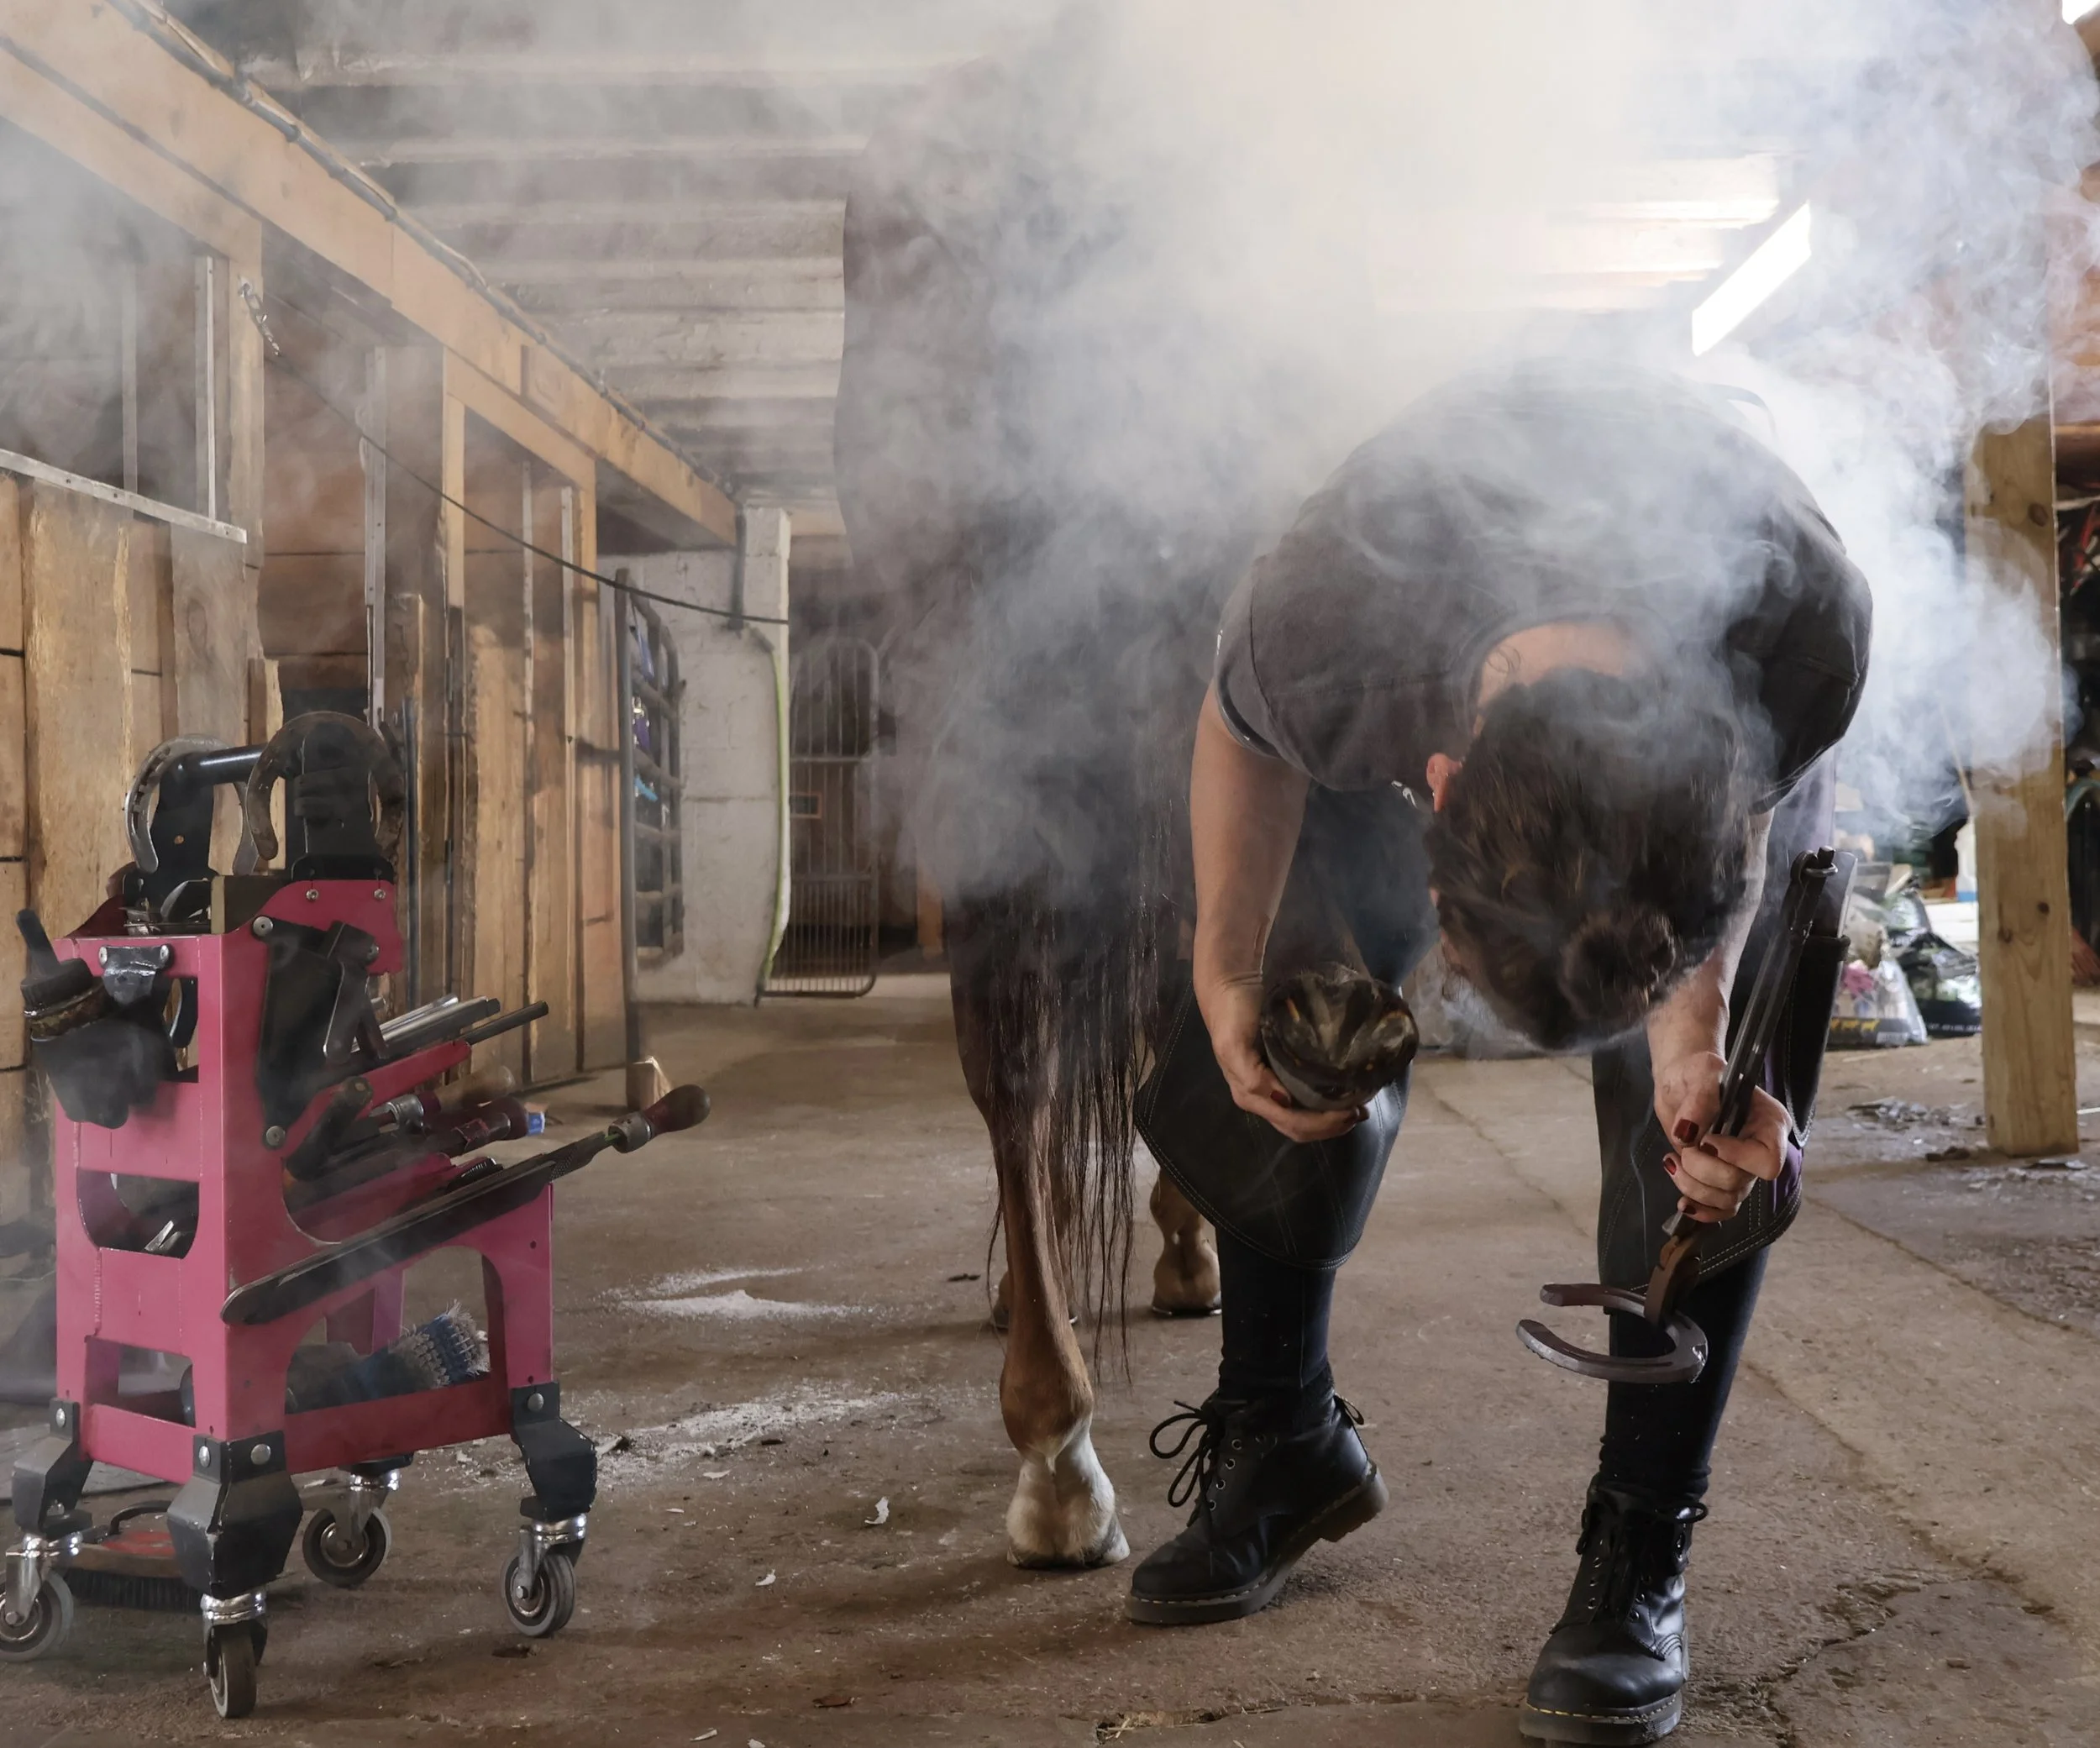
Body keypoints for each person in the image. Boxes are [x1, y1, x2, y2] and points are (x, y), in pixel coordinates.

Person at [1129, 359, 1872, 1746]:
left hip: (1699, 699)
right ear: (1440, 784)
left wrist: (1699, 1046)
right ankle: (1280, 1437)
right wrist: (1224, 969)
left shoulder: (1803, 633)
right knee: (1297, 995)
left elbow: (1741, 847)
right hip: (1430, 616)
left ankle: (1640, 1548)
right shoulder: (1334, 623)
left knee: (1714, 1126)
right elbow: (1238, 729)